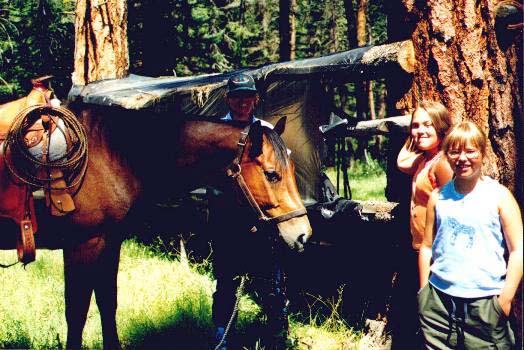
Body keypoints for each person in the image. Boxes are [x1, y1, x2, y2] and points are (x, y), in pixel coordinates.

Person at [418, 121, 523, 349]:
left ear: (482, 153)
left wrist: (504, 300)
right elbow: (427, 246)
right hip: (438, 302)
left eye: (470, 151)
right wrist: (424, 291)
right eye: (454, 151)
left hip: (485, 304)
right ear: (446, 155)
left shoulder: (499, 197)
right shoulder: (438, 197)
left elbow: (518, 250)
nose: (462, 158)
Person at [209, 73, 287, 350]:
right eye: (237, 96)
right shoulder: (214, 131)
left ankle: (276, 338)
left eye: (247, 96)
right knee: (226, 283)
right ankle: (223, 338)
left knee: (272, 283)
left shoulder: (267, 131)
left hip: (263, 222)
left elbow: (279, 171)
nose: (243, 102)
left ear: (256, 99)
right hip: (226, 223)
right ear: (228, 99)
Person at [391, 101, 454, 349]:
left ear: (441, 127)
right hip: (419, 251)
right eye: (415, 126)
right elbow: (400, 162)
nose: (420, 131)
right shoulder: (423, 161)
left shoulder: (443, 164)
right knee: (419, 317)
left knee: (437, 319)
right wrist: (417, 137)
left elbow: (455, 210)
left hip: (439, 254)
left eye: (428, 125)